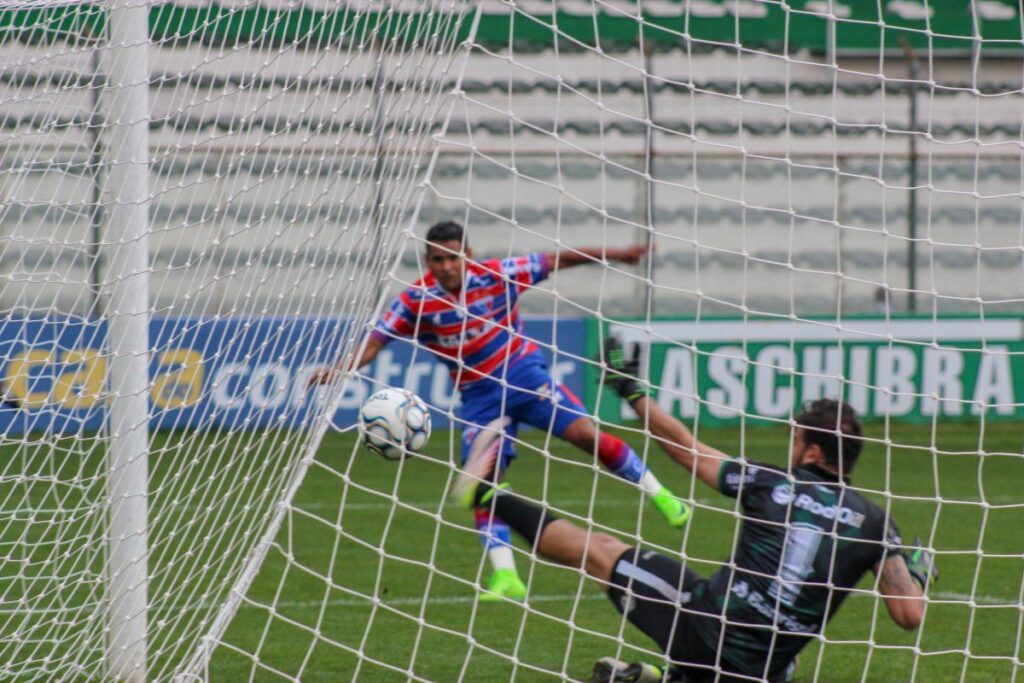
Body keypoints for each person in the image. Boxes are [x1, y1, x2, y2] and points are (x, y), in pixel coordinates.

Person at [450, 338, 938, 682]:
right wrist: (915, 571)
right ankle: (651, 675)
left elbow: (687, 450)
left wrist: (632, 392)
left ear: (812, 453)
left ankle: (491, 496)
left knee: (599, 550)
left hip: (704, 629)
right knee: (771, 661)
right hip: (767, 668)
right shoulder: (877, 525)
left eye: (796, 438)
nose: (791, 447)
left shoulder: (773, 483)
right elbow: (908, 615)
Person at [311, 222, 690, 601]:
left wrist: (618, 254)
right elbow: (376, 343)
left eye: (453, 257)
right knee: (482, 483)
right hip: (480, 399)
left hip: (524, 376)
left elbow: (559, 259)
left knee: (586, 436)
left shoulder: (496, 275)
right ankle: (506, 577)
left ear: (468, 256)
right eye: (437, 259)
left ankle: (663, 496)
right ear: (427, 260)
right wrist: (339, 369)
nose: (446, 266)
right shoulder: (415, 300)